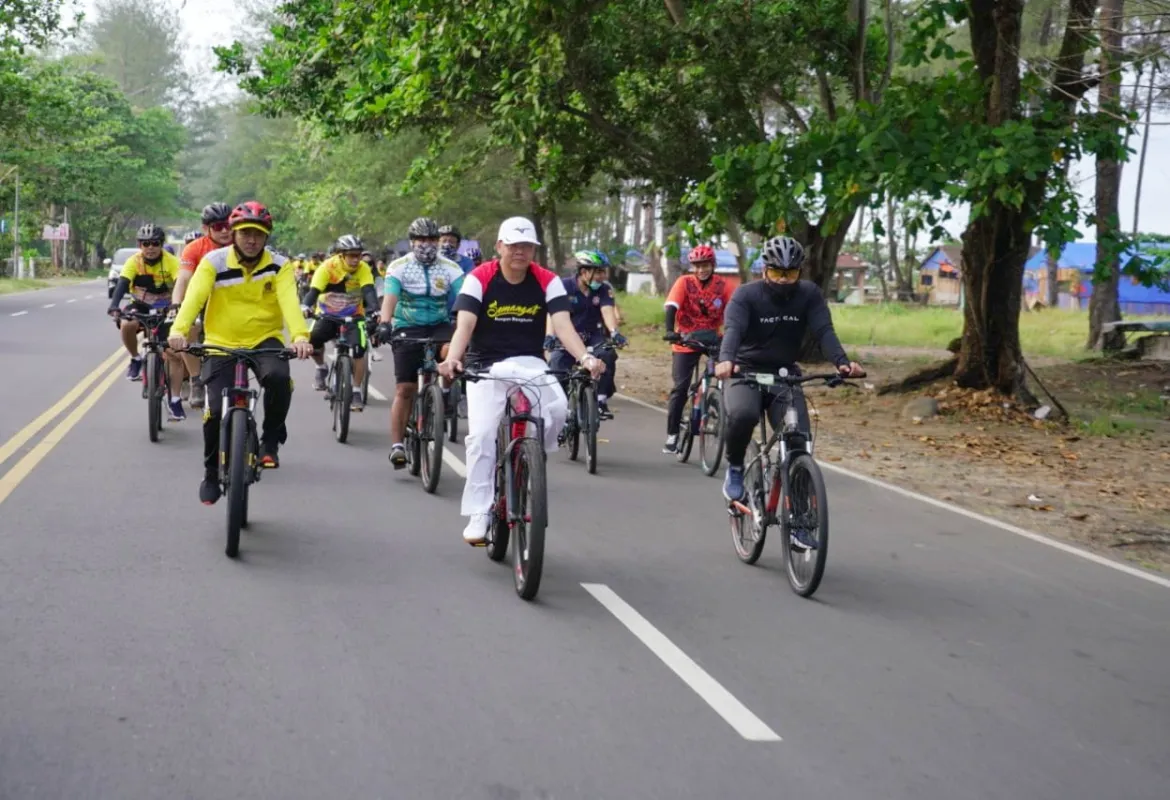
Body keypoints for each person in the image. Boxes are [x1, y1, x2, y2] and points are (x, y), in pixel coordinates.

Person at [438, 216, 604, 544]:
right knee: (483, 436)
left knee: (558, 410)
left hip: (529, 362)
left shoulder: (547, 280)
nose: (520, 252)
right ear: (500, 246)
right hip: (485, 365)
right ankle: (480, 510)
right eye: (513, 245)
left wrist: (585, 358)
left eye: (526, 246)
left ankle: (530, 460)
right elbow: (466, 325)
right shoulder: (479, 278)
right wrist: (454, 359)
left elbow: (563, 325)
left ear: (534, 250)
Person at [168, 201, 314, 505]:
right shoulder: (213, 261)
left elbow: (289, 302)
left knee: (278, 377)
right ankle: (211, 474)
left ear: (267, 237)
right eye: (245, 233)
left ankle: (270, 440)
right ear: (234, 234)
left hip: (265, 339)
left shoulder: (279, 264)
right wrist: (179, 331)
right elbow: (193, 298)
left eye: (258, 234)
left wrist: (300, 336)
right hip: (221, 342)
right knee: (213, 412)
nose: (252, 240)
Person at [714, 236, 863, 501]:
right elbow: (733, 330)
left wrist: (842, 362)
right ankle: (735, 466)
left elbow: (824, 331)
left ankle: (802, 519)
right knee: (743, 415)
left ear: (799, 272)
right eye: (776, 272)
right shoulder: (746, 295)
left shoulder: (809, 294)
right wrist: (726, 359)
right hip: (744, 370)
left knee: (798, 440)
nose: (783, 279)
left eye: (790, 273)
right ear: (764, 270)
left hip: (784, 374)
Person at [377, 217, 465, 468]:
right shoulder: (399, 266)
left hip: (439, 326)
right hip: (408, 326)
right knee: (404, 390)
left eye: (431, 240)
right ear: (412, 241)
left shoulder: (450, 267)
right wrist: (385, 322)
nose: (427, 244)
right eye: (421, 240)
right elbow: (391, 297)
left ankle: (446, 393)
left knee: (456, 352)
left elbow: (466, 296)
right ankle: (397, 446)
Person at [661, 244, 734, 453]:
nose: (702, 269)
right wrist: (669, 330)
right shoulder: (684, 282)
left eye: (706, 265)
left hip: (713, 337)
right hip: (686, 339)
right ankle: (673, 434)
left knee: (728, 374)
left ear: (713, 265)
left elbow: (735, 310)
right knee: (680, 387)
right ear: (693, 267)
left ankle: (717, 407)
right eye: (698, 266)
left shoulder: (724, 285)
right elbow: (672, 306)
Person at [107, 223, 185, 417]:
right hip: (140, 305)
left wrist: (179, 305)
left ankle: (175, 400)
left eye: (155, 243)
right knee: (127, 323)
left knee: (174, 353)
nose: (150, 247)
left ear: (161, 244)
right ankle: (135, 358)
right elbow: (123, 284)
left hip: (168, 307)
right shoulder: (133, 261)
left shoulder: (172, 261)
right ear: (139, 245)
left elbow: (180, 284)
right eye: (145, 243)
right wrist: (114, 305)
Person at [544, 250, 627, 419]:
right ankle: (562, 408)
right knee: (557, 363)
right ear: (584, 272)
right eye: (598, 272)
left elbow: (607, 311)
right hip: (568, 337)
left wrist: (614, 332)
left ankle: (601, 400)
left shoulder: (604, 290)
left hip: (593, 336)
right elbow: (553, 315)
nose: (602, 276)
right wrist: (550, 336)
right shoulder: (563, 286)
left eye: (603, 271)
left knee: (607, 354)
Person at [302, 234, 378, 410]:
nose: (355, 260)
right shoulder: (327, 267)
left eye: (358, 255)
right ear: (341, 255)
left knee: (359, 349)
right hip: (327, 314)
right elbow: (313, 291)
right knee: (313, 341)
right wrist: (305, 306)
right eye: (351, 255)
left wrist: (374, 310)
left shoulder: (363, 268)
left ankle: (357, 390)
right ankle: (321, 367)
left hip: (354, 315)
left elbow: (368, 291)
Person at [174, 203, 235, 409]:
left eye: (228, 225)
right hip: (201, 300)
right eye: (218, 227)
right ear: (205, 229)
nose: (225, 231)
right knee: (188, 329)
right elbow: (183, 280)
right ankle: (196, 379)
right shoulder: (194, 248)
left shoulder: (243, 243)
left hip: (233, 302)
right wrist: (176, 306)